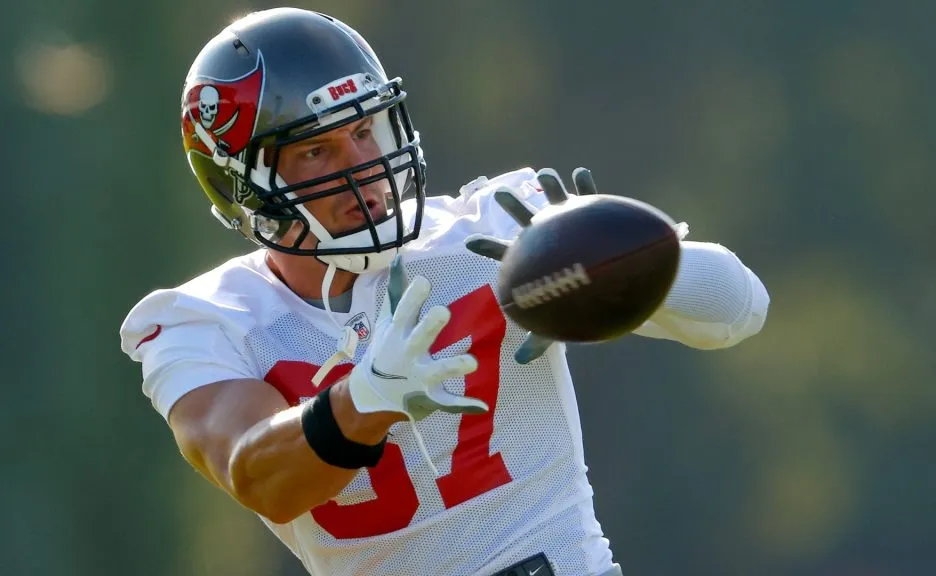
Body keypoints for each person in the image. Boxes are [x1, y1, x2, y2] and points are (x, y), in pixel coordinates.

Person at [119, 7, 770, 576]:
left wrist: (630, 261)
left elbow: (741, 309)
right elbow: (255, 472)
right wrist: (363, 400)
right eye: (317, 151)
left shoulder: (498, 233)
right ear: (246, 184)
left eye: (365, 131)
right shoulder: (208, 321)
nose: (364, 172)